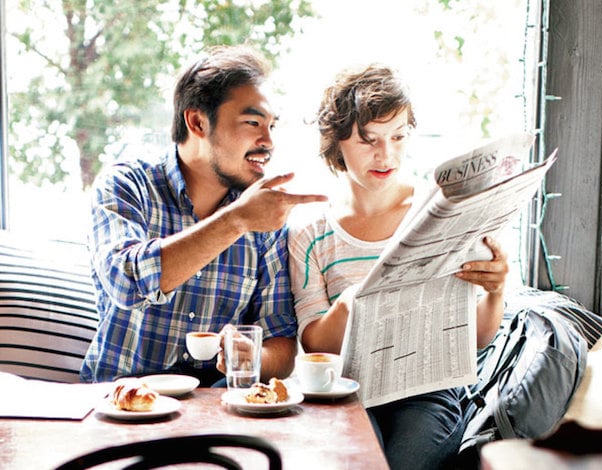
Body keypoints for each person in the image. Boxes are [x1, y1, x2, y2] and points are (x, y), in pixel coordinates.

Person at [287, 64, 509, 469]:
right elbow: (317, 346)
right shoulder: (311, 231)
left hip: (428, 391)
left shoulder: (440, 212)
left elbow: (476, 337)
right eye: (368, 140)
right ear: (337, 143)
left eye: (398, 137)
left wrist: (495, 290)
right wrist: (353, 302)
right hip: (347, 388)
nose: (385, 154)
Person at [81, 45, 327, 385]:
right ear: (197, 121)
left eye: (272, 126)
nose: (268, 141)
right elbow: (127, 282)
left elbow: (281, 345)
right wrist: (236, 220)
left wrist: (252, 355)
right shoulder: (126, 184)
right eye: (253, 122)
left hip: (214, 414)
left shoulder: (265, 221)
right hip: (120, 408)